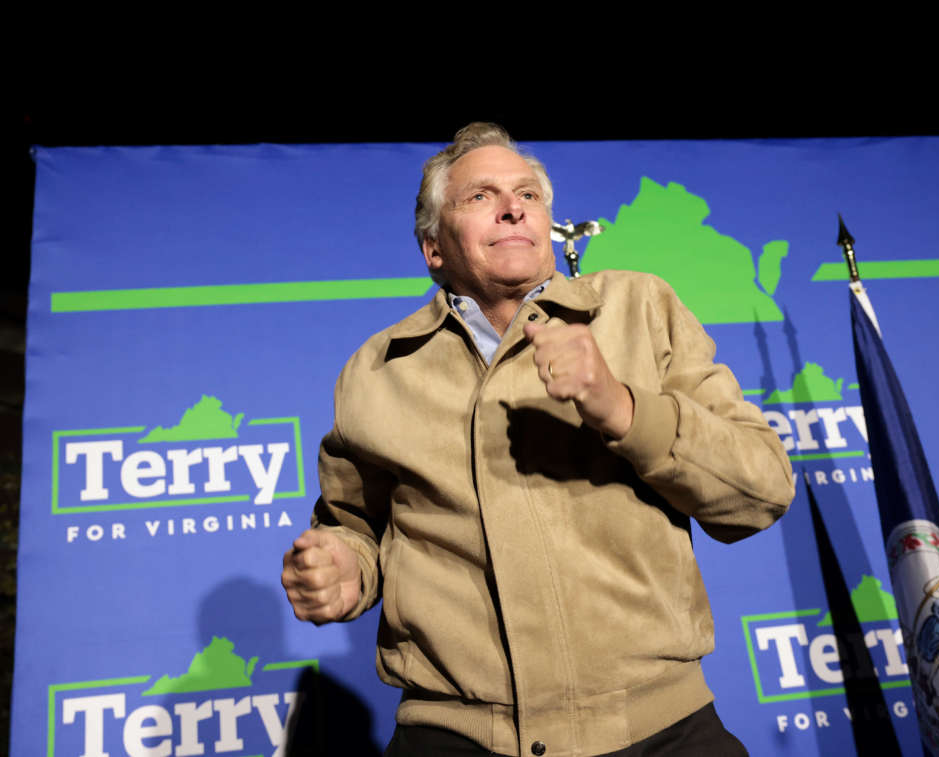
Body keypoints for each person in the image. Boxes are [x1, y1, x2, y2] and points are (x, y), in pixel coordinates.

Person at [281, 123, 794, 756]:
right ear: (433, 249)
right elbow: (356, 526)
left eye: (529, 193)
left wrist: (622, 406)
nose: (513, 206)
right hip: (454, 738)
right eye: (480, 196)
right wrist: (345, 569)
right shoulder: (377, 370)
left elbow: (761, 491)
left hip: (659, 731)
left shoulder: (639, 308)